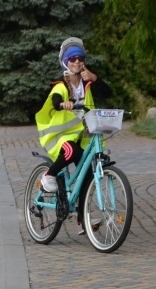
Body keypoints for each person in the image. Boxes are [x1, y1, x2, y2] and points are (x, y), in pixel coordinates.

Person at [35, 37, 112, 233]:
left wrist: (94, 78)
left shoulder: (87, 82)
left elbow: (107, 92)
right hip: (60, 136)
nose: (77, 61)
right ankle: (48, 175)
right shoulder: (61, 84)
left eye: (80, 57)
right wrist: (64, 103)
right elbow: (55, 101)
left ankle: (83, 220)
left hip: (81, 136)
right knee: (72, 152)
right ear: (65, 61)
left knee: (87, 176)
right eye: (72, 58)